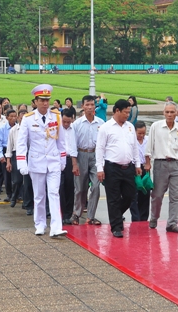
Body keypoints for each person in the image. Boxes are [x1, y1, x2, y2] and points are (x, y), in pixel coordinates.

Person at [16, 84, 67, 237]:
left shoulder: (56, 116)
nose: (45, 103)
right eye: (42, 100)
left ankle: (56, 227)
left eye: (47, 100)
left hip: (53, 161)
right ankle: (40, 224)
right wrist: (21, 163)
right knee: (39, 195)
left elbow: (61, 141)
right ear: (35, 101)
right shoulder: (28, 119)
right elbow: (21, 142)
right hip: (36, 161)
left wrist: (62, 159)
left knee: (54, 193)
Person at [97, 99, 142, 238]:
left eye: (129, 112)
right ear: (117, 111)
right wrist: (100, 168)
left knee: (130, 196)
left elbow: (134, 147)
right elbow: (100, 148)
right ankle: (116, 226)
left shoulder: (129, 127)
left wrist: (137, 164)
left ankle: (116, 215)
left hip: (128, 167)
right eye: (125, 112)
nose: (127, 115)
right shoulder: (106, 127)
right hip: (112, 168)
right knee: (113, 199)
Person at [145, 102, 178, 233]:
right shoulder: (156, 127)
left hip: (176, 164)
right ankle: (154, 218)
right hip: (160, 163)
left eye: (172, 112)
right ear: (163, 113)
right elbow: (149, 148)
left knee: (176, 196)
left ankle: (172, 223)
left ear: (177, 113)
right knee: (157, 195)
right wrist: (148, 162)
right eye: (167, 112)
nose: (170, 114)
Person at [71, 95, 103, 225]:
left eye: (92, 105)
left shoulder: (101, 123)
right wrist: (74, 163)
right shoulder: (77, 124)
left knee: (96, 186)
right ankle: (77, 213)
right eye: (87, 105)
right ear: (83, 106)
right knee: (80, 187)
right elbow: (72, 145)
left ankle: (91, 216)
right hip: (81, 154)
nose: (90, 107)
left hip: (96, 155)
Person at [60, 107, 78, 225]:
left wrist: (74, 164)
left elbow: (74, 147)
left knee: (70, 187)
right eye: (64, 121)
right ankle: (61, 213)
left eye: (68, 122)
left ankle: (68, 214)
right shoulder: (57, 128)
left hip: (69, 160)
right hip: (57, 160)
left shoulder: (74, 129)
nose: (66, 124)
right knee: (60, 188)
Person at [131, 121, 150, 221]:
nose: (141, 135)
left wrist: (148, 163)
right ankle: (136, 218)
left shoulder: (148, 140)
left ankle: (144, 218)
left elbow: (150, 153)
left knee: (145, 193)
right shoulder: (131, 140)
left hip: (145, 168)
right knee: (134, 194)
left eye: (143, 133)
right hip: (134, 169)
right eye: (139, 133)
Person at [0, 109, 17, 202]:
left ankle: (17, 194)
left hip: (15, 151)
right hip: (6, 150)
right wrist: (1, 155)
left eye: (15, 116)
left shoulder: (18, 128)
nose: (13, 118)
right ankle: (9, 194)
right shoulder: (2, 129)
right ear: (7, 118)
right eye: (11, 116)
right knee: (7, 175)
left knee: (17, 174)